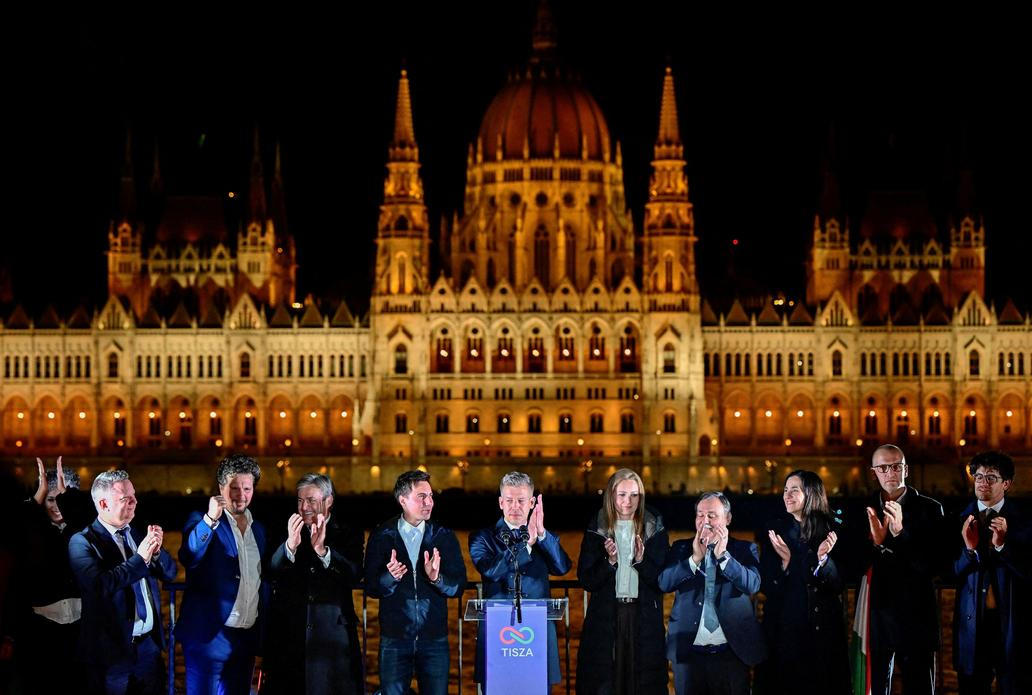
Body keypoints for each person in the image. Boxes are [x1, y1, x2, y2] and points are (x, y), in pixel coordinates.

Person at [68, 469, 178, 695]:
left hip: (148, 649)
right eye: (125, 498)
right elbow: (100, 585)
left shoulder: (136, 534)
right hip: (111, 653)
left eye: (134, 496)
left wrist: (156, 552)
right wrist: (141, 558)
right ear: (104, 504)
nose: (134, 502)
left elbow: (170, 573)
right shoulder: (82, 542)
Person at [364, 470, 466, 695]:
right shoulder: (382, 535)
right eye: (422, 496)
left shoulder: (443, 535)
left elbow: (458, 586)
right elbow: (371, 586)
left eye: (430, 496)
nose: (429, 502)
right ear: (402, 500)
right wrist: (390, 577)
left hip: (434, 639)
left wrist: (437, 579)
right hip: (394, 639)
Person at [853, 444, 944, 695]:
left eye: (896, 466)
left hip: (917, 617)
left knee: (920, 687)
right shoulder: (860, 509)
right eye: (883, 468)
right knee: (875, 688)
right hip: (876, 618)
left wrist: (900, 534)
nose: (890, 472)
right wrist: (877, 544)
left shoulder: (930, 509)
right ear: (874, 473)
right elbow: (853, 563)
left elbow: (933, 565)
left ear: (906, 470)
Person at [469, 471, 572, 690]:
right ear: (500, 502)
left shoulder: (544, 538)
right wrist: (526, 545)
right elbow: (490, 571)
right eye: (509, 500)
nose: (515, 506)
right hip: (498, 634)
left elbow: (562, 567)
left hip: (538, 634)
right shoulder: (482, 537)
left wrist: (541, 534)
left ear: (532, 503)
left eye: (521, 501)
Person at [264, 474, 364, 695]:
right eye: (300, 500)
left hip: (333, 640)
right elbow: (269, 571)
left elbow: (354, 574)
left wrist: (323, 552)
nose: (304, 507)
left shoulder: (348, 531)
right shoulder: (285, 528)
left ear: (329, 501)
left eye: (311, 500)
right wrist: (289, 547)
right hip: (289, 641)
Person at [177, 454, 268, 695]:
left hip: (245, 640)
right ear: (220, 488)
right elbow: (189, 555)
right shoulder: (201, 519)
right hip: (208, 638)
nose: (241, 495)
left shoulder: (259, 529)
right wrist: (210, 520)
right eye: (234, 488)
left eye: (247, 488)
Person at [658, 491, 765, 695]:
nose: (705, 521)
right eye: (700, 515)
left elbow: (752, 585)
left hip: (732, 653)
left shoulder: (744, 549)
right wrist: (694, 559)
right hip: (688, 654)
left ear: (728, 518)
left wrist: (724, 557)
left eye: (712, 515)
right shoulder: (681, 548)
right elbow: (664, 583)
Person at [576, 468, 669, 695]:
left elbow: (662, 581)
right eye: (622, 495)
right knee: (605, 683)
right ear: (611, 495)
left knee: (643, 684)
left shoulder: (654, 526)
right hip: (606, 617)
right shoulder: (597, 526)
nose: (628, 501)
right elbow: (587, 580)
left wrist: (641, 561)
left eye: (634, 495)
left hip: (643, 618)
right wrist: (609, 562)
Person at [759, 469, 849, 695]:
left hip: (823, 632)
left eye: (794, 490)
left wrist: (823, 560)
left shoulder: (833, 528)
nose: (787, 495)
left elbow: (839, 583)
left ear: (811, 493)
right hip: (784, 631)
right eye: (785, 490)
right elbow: (767, 585)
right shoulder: (774, 530)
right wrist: (785, 563)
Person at [952, 451, 1030, 695]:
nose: (983, 482)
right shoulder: (958, 518)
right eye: (978, 477)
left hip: (1014, 626)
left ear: (1006, 484)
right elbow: (949, 572)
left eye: (991, 478)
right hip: (973, 626)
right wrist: (969, 551)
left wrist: (1002, 547)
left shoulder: (1025, 520)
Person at [13, 457, 92, 694]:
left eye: (63, 499)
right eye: (50, 499)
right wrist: (37, 497)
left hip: (81, 630)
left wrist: (70, 500)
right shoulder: (31, 532)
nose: (57, 506)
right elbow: (16, 523)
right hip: (42, 632)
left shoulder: (84, 532)